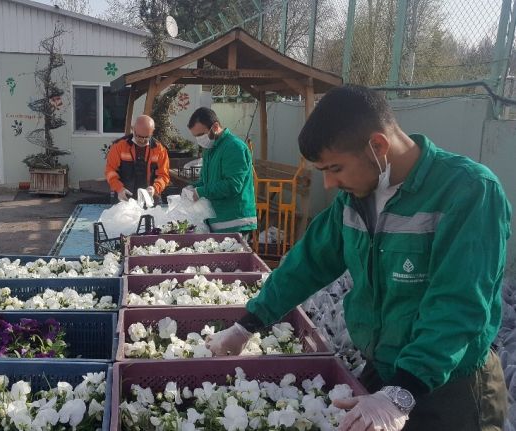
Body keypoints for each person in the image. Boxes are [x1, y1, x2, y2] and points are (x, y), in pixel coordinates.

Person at [206, 85, 512, 431]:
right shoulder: (357, 199)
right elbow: (307, 263)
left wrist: (402, 392)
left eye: (335, 168)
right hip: (385, 370)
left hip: (451, 385)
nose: (329, 184)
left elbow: (458, 306)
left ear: (378, 147)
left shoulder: (468, 192)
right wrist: (247, 324)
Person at [185, 107, 257, 234]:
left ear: (215, 126)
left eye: (201, 134)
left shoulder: (234, 147)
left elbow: (233, 185)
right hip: (218, 220)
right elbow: (207, 181)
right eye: (196, 136)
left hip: (235, 222)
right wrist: (192, 188)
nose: (199, 139)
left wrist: (200, 192)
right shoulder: (210, 148)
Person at [105, 115, 170, 204]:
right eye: (139, 136)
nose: (142, 140)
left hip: (150, 199)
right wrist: (119, 188)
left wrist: (155, 188)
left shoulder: (160, 150)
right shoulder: (119, 147)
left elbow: (164, 175)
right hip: (123, 197)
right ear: (133, 130)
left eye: (146, 137)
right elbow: (110, 171)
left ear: (152, 132)